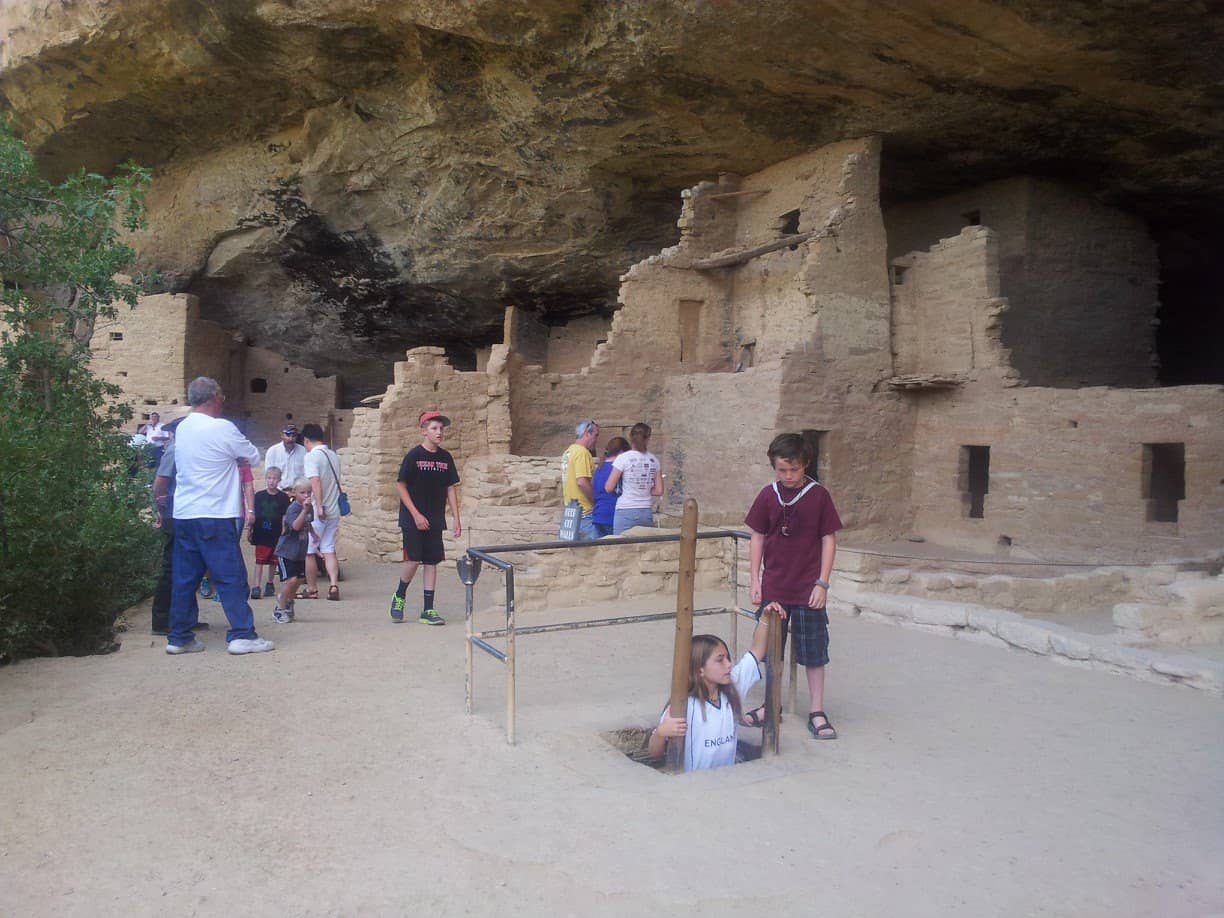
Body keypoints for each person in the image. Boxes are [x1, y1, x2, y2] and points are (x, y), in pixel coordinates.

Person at [744, 432, 842, 739]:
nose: (788, 476)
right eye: (782, 470)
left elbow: (828, 539)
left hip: (807, 588)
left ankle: (816, 710)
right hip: (775, 587)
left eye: (794, 470)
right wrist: (755, 579)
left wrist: (822, 583)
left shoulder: (819, 495)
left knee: (813, 652)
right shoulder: (767, 494)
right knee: (773, 651)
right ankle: (770, 704)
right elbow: (758, 536)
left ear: (806, 465)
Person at [166, 377, 274, 655]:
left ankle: (179, 637)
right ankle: (242, 634)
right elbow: (252, 456)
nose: (223, 400)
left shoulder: (183, 427)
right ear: (213, 397)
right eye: (222, 396)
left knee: (185, 578)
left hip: (185, 513)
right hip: (214, 512)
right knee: (230, 576)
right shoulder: (222, 428)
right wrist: (234, 457)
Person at [647, 610, 783, 772]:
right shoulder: (684, 704)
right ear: (700, 669)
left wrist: (765, 618)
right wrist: (661, 733)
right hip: (696, 786)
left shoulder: (732, 685)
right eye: (720, 660)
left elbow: (757, 651)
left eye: (728, 658)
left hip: (729, 778)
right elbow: (654, 753)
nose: (728, 664)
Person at [390, 410, 462, 625]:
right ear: (424, 431)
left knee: (432, 561)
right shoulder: (414, 456)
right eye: (434, 428)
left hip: (435, 516)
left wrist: (456, 518)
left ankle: (428, 610)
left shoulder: (445, 458)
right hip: (413, 516)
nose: (439, 432)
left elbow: (450, 488)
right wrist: (415, 514)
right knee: (413, 559)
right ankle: (400, 594)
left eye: (441, 428)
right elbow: (401, 486)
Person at [150, 416, 208, 636]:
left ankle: (184, 618)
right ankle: (162, 620)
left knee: (190, 565)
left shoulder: (186, 448)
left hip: (186, 508)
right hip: (176, 509)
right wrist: (162, 510)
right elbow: (160, 483)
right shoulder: (175, 449)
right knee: (172, 566)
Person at [301, 422, 343, 601]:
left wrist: (318, 506)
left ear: (306, 440)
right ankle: (333, 585)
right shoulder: (333, 455)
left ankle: (312, 589)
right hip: (335, 508)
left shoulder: (311, 457)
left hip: (321, 511)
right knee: (328, 548)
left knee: (310, 550)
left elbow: (315, 482)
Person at [605, 421, 664, 534]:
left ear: (631, 437)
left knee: (620, 547)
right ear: (647, 439)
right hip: (645, 509)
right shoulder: (654, 460)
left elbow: (609, 487)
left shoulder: (623, 458)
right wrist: (644, 488)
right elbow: (659, 490)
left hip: (625, 509)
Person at [272, 478, 314, 624]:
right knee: (292, 580)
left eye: (309, 492)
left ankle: (289, 601)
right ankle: (281, 604)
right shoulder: (294, 509)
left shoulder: (309, 507)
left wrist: (314, 534)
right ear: (295, 493)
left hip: (300, 551)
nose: (306, 495)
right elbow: (296, 526)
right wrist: (304, 510)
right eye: (302, 492)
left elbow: (308, 523)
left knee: (300, 580)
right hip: (286, 551)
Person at [249, 466, 290, 600]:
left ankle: (270, 583)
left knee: (273, 560)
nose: (271, 481)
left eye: (274, 479)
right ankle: (256, 586)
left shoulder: (283, 497)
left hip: (276, 533)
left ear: (279, 480)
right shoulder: (259, 496)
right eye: (269, 478)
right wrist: (250, 529)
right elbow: (254, 513)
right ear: (266, 479)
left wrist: (284, 530)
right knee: (259, 560)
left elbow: (285, 515)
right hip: (262, 532)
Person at [560, 419, 600, 540]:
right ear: (587, 433)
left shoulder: (568, 452)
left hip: (571, 510)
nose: (596, 439)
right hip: (584, 510)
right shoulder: (582, 453)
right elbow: (582, 482)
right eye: (595, 435)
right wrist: (595, 500)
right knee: (596, 550)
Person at [591, 437, 629, 538]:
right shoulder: (617, 469)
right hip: (611, 515)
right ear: (622, 452)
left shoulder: (600, 467)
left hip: (598, 515)